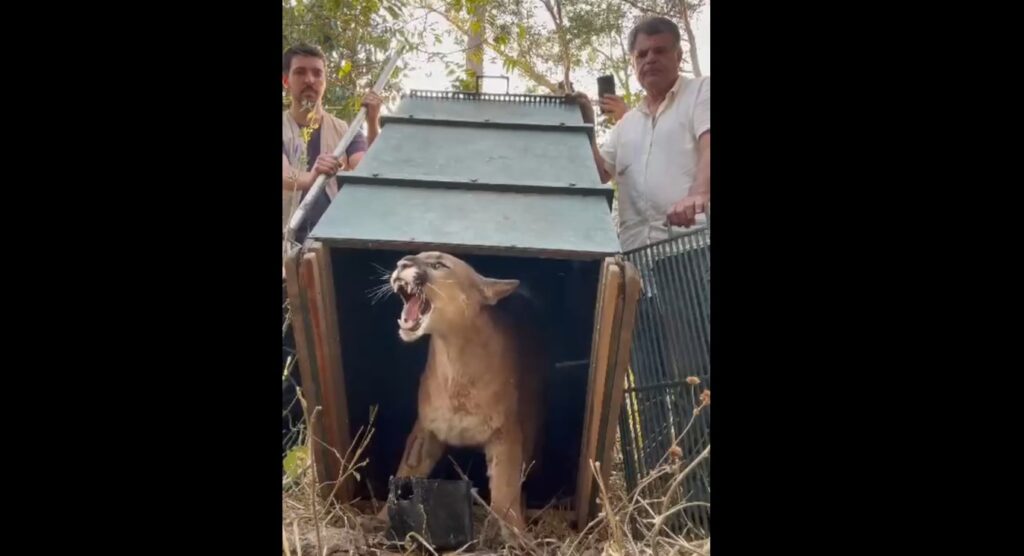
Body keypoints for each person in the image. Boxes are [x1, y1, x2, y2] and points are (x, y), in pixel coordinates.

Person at [569, 16, 710, 252]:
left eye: (660, 51)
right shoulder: (627, 124)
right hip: (636, 255)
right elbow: (599, 173)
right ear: (633, 64)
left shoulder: (700, 91)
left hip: (692, 247)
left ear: (678, 56)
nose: (650, 59)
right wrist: (587, 125)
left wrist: (699, 194)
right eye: (642, 55)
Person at [281, 43, 382, 243]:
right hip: (287, 242)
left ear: (325, 81)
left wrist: (372, 121)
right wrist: (312, 176)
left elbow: (367, 168)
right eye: (300, 72)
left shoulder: (344, 130)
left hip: (332, 240)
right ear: (286, 81)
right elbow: (285, 175)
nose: (310, 80)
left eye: (317, 74)